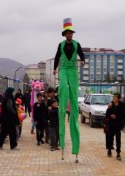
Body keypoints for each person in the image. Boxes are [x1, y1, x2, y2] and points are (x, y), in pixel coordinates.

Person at [53, 18, 85, 162]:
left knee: (73, 93)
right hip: (64, 69)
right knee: (63, 88)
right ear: (65, 34)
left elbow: (82, 54)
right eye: (67, 33)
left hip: (73, 70)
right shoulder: (60, 45)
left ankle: (75, 148)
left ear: (72, 34)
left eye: (71, 33)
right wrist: (54, 69)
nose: (69, 35)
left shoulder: (77, 44)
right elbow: (57, 57)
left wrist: (83, 61)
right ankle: (63, 102)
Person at [105, 93, 125, 161]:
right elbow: (107, 114)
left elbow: (123, 115)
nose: (114, 99)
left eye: (115, 97)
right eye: (113, 97)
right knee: (110, 137)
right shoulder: (111, 105)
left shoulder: (121, 106)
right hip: (111, 124)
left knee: (118, 139)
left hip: (118, 125)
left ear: (118, 98)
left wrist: (116, 117)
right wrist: (110, 116)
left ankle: (118, 153)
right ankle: (109, 150)